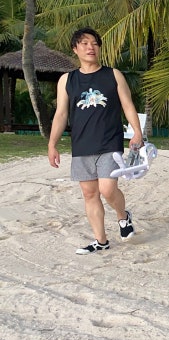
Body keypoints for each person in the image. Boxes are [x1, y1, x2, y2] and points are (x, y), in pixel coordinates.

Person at [48, 28, 144, 255]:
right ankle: (101, 241)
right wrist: (52, 144)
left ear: (99, 48)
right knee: (90, 194)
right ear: (75, 49)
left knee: (108, 189)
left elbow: (128, 105)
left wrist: (137, 133)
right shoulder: (67, 80)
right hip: (81, 145)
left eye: (94, 43)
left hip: (109, 142)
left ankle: (123, 216)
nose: (90, 47)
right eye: (84, 43)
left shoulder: (113, 75)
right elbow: (61, 114)